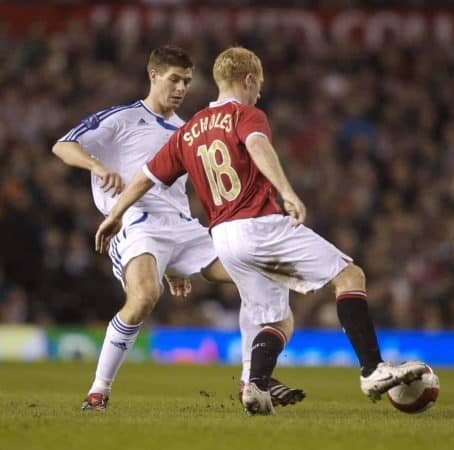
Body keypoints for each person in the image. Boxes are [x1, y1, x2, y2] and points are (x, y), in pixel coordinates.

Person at [94, 46, 426, 416]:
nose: (260, 93)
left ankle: (255, 383)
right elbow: (257, 146)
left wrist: (114, 214)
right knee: (350, 275)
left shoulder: (187, 131)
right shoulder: (245, 114)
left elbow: (144, 177)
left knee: (276, 319)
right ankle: (372, 369)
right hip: (260, 224)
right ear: (249, 80)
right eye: (259, 85)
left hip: (224, 238)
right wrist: (286, 192)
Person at [52, 45, 304, 411]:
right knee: (142, 298)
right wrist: (96, 167)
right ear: (153, 75)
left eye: (187, 81)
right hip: (137, 224)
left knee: (255, 271)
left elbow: (179, 190)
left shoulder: (187, 130)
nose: (182, 88)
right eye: (174, 79)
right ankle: (98, 390)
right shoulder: (122, 119)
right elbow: (63, 145)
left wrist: (176, 260)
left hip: (182, 229)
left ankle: (251, 379)